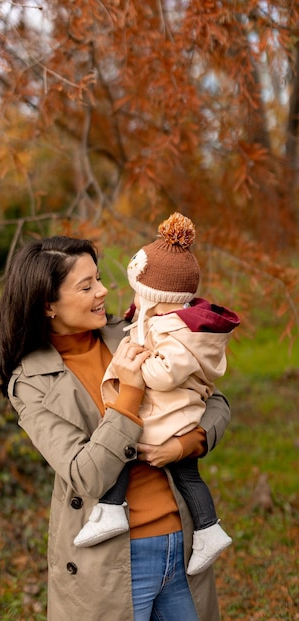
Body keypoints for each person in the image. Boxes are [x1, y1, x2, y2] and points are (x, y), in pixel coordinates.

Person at [0, 234, 231, 621]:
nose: (104, 291)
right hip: (111, 562)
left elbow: (214, 402)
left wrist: (190, 442)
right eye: (86, 286)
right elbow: (85, 474)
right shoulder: (31, 381)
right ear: (47, 304)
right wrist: (131, 394)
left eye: (98, 278)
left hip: (184, 541)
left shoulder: (132, 332)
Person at [74, 213, 240, 577]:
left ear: (159, 298)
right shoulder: (163, 323)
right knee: (170, 468)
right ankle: (116, 509)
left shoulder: (180, 332)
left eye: (140, 293)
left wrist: (138, 367)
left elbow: (165, 375)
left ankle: (202, 527)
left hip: (172, 418)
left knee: (133, 452)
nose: (131, 298)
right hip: (170, 414)